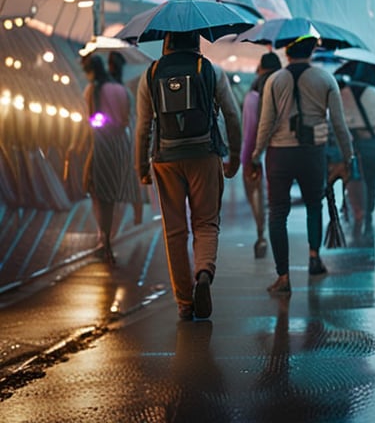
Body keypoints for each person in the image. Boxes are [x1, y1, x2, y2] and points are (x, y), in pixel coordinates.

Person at [135, 31, 242, 321]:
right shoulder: (209, 70)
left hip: (166, 160)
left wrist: (142, 169)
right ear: (197, 41)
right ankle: (204, 271)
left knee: (175, 231)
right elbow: (232, 116)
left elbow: (143, 126)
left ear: (166, 43)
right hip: (204, 154)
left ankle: (184, 302)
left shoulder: (151, 74)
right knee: (206, 223)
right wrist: (235, 156)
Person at [251, 35, 354, 293]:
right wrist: (347, 156)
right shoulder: (325, 79)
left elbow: (265, 124)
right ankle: (313, 257)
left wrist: (256, 155)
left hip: (279, 154)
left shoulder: (274, 80)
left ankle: (283, 277)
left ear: (287, 52)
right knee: (313, 206)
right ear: (312, 51)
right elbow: (339, 125)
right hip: (313, 153)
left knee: (277, 214)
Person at [81, 54, 134, 266]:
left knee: (97, 193)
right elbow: (126, 120)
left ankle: (104, 241)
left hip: (101, 145)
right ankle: (107, 240)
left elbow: (92, 119)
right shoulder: (123, 91)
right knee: (110, 196)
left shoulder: (93, 90)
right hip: (119, 146)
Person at [337, 69, 375, 240]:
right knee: (371, 181)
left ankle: (356, 211)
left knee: (352, 180)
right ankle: (368, 215)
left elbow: (335, 120)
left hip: (351, 144)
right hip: (373, 142)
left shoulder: (342, 94)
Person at [242, 52, 282, 258]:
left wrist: (248, 159)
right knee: (277, 204)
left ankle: (261, 234)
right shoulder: (285, 87)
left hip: (260, 153)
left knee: (258, 197)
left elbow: (250, 131)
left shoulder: (253, 95)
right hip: (283, 150)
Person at [108, 51, 147, 227]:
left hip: (122, 138)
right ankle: (131, 217)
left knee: (126, 178)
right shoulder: (123, 89)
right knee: (125, 178)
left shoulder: (122, 90)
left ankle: (133, 217)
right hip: (121, 138)